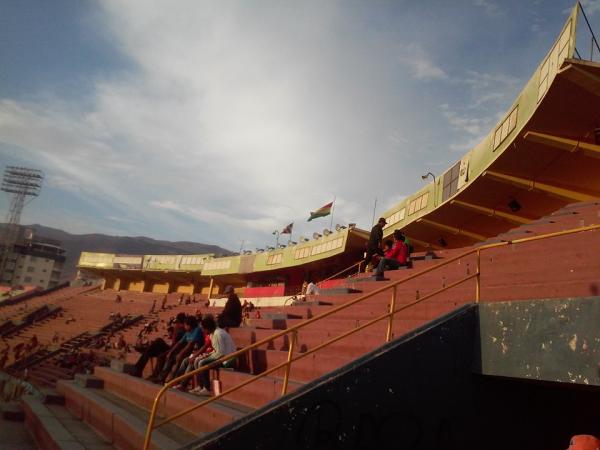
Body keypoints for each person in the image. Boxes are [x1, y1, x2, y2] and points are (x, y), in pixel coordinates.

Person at [189, 314, 237, 395]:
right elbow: (216, 350)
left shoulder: (218, 334)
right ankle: (201, 386)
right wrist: (206, 355)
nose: (203, 331)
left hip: (228, 360)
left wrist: (206, 358)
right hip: (222, 356)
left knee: (202, 362)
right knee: (197, 360)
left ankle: (207, 388)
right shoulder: (212, 334)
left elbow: (220, 353)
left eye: (203, 329)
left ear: (207, 327)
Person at [132, 312, 186, 378]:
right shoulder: (179, 328)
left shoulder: (181, 329)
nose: (176, 324)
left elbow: (176, 343)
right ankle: (140, 369)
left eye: (178, 322)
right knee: (151, 348)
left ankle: (139, 368)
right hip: (171, 347)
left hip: (173, 349)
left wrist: (175, 331)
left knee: (157, 342)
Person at [160, 315, 204, 383]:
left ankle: (174, 379)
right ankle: (162, 378)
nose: (184, 326)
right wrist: (170, 352)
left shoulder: (197, 330)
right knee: (171, 356)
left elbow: (190, 344)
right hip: (188, 351)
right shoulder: (187, 332)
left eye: (185, 325)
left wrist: (180, 354)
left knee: (180, 358)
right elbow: (179, 343)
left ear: (189, 325)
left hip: (195, 352)